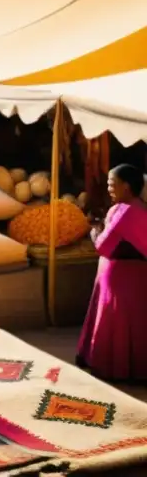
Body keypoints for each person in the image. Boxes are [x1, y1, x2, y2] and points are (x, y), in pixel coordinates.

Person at [77, 164, 147, 382]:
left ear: (126, 186)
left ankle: (118, 370)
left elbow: (103, 246)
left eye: (111, 183)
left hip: (122, 280)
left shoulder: (124, 212)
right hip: (135, 278)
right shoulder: (139, 208)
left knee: (119, 328)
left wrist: (94, 232)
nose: (108, 187)